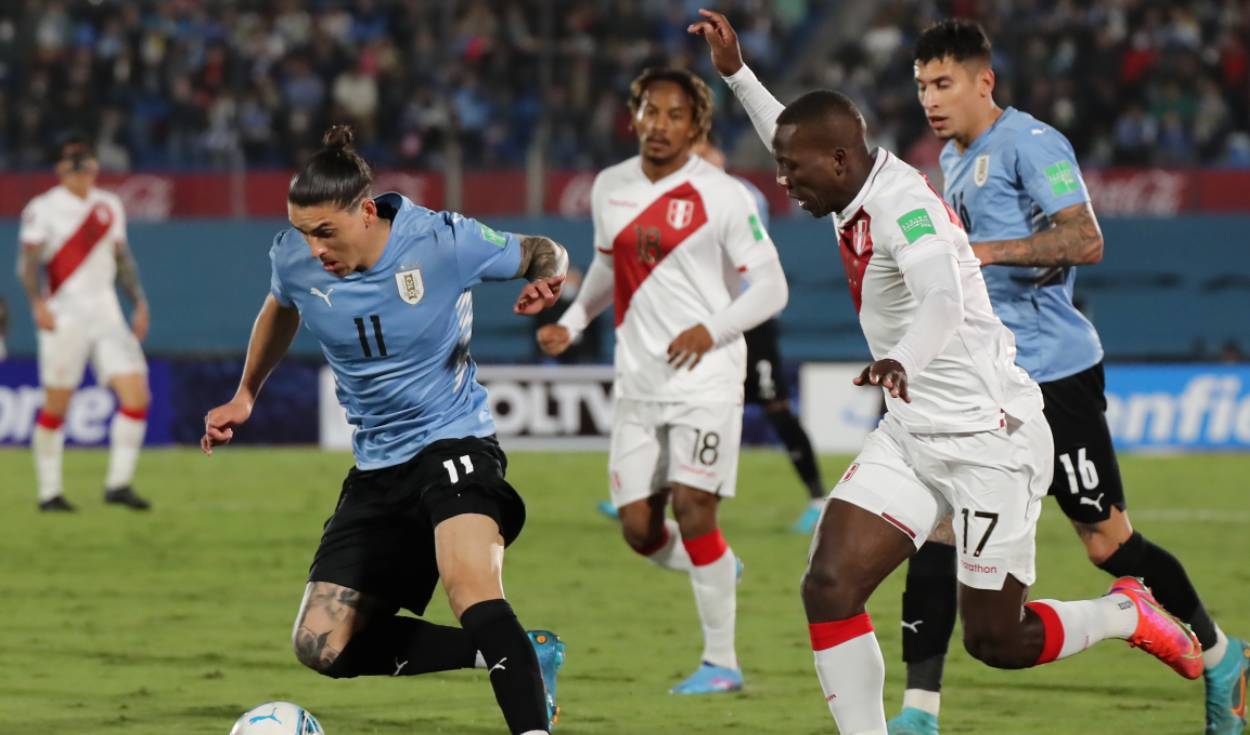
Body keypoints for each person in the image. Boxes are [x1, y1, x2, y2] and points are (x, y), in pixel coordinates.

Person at [691, 10, 1203, 733]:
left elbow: (939, 295)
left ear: (838, 163)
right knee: (829, 584)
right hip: (915, 431)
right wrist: (739, 73)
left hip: (989, 438)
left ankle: (1127, 611)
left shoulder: (904, 209)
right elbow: (797, 131)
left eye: (792, 173)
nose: (784, 184)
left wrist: (904, 355)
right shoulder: (843, 175)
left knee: (996, 639)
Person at [877, 20, 1248, 735]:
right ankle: (918, 713)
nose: (929, 98)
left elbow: (1085, 237)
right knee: (939, 529)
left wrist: (985, 252)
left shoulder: (1031, 143)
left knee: (1109, 544)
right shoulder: (952, 159)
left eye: (943, 83)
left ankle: (1222, 654)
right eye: (922, 85)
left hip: (1053, 377)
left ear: (985, 81)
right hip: (986, 383)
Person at [200, 125, 567, 735]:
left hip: (455, 443)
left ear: (366, 211)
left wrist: (547, 277)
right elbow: (281, 308)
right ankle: (514, 652)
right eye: (303, 232)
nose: (314, 248)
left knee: (471, 587)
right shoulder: (294, 259)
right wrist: (245, 394)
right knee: (322, 645)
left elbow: (539, 248)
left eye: (325, 231)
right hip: (377, 468)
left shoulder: (440, 240)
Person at [537, 67, 788, 694]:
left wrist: (715, 330)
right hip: (639, 381)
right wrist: (570, 322)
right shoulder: (610, 187)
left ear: (696, 125)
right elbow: (602, 268)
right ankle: (719, 569)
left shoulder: (723, 195)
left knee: (694, 509)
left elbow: (772, 286)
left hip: (707, 379)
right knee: (639, 531)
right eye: (651, 111)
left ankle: (722, 663)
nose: (660, 124)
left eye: (676, 115)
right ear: (634, 115)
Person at [696, 139, 827, 533]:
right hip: (716, 319)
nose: (701, 161)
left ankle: (819, 498)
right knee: (696, 407)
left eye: (706, 153)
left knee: (775, 407)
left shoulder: (744, 196)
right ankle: (650, 498)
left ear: (719, 157)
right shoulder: (687, 202)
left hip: (753, 318)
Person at [18, 135, 152, 512]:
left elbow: (122, 259)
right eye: (75, 167)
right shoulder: (42, 208)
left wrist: (138, 302)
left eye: (87, 167)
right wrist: (37, 304)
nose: (82, 175)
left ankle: (119, 484)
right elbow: (28, 264)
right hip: (65, 316)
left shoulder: (108, 205)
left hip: (107, 314)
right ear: (62, 170)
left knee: (136, 394)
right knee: (57, 405)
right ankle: (49, 493)